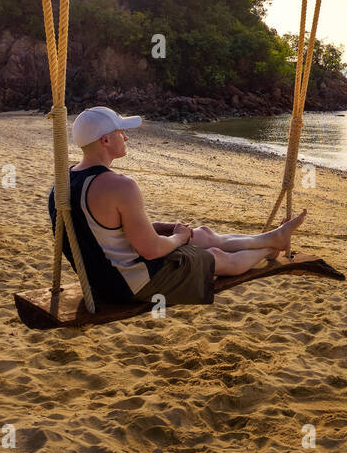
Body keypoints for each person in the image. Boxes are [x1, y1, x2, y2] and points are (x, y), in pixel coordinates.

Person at [47, 106, 307, 306]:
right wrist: (178, 238)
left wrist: (165, 228)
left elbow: (104, 231)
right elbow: (150, 251)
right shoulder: (120, 186)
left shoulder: (62, 185)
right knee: (215, 257)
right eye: (120, 133)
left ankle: (271, 237)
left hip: (100, 281)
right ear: (105, 140)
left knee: (203, 234)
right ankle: (269, 249)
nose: (126, 137)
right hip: (130, 285)